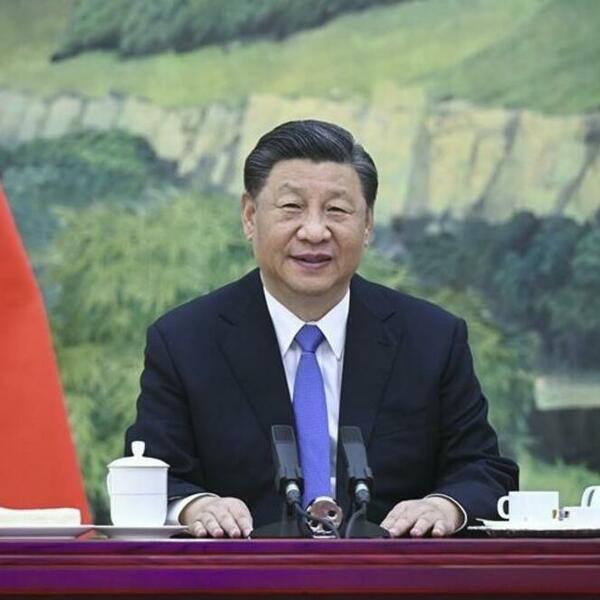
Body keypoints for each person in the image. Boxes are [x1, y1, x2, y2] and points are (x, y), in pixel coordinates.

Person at [125, 119, 518, 539]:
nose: (314, 231)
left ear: (367, 224)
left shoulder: (431, 338)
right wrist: (197, 507)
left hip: (391, 571)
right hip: (243, 571)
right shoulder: (185, 340)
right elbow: (152, 472)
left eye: (337, 210)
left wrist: (443, 507)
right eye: (291, 207)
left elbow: (483, 469)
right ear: (250, 216)